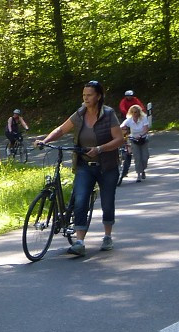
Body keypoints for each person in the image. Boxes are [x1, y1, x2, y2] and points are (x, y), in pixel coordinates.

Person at [37, 80, 124, 255]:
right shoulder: (80, 113)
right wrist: (45, 140)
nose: (85, 98)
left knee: (107, 201)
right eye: (84, 95)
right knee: (80, 199)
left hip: (107, 165)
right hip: (85, 164)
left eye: (89, 95)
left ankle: (107, 236)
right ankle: (80, 242)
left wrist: (100, 148)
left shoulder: (108, 114)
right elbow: (61, 129)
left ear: (98, 96)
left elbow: (119, 139)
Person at [121, 104, 150, 182]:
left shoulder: (143, 118)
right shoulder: (129, 120)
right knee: (137, 158)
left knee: (145, 157)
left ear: (139, 112)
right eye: (133, 112)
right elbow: (122, 126)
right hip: (134, 140)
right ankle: (139, 175)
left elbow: (146, 129)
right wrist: (123, 128)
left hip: (143, 139)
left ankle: (143, 170)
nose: (134, 114)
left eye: (136, 112)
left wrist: (141, 135)